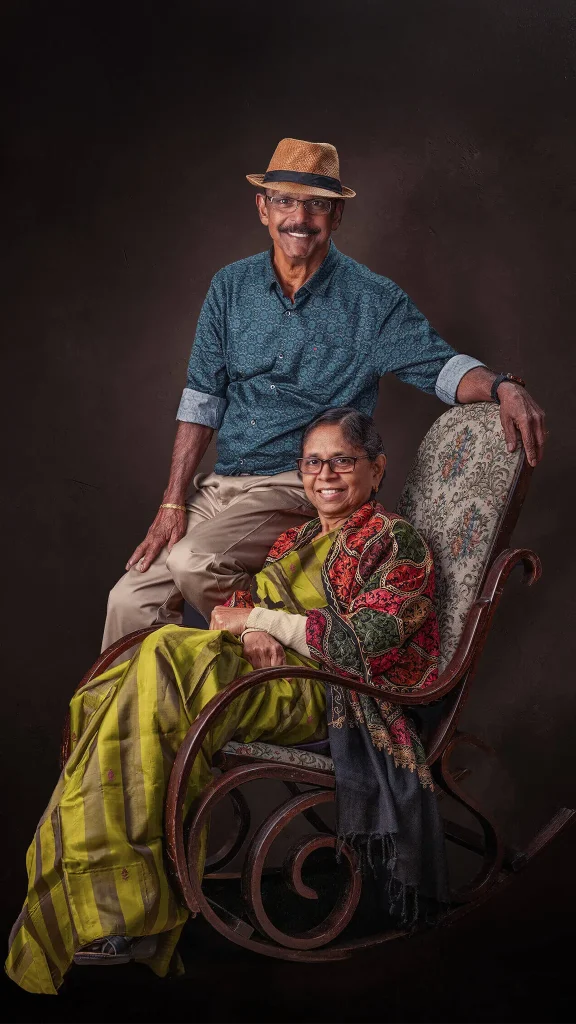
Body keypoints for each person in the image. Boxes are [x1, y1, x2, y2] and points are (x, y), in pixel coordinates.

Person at [7, 409, 449, 996]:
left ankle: (125, 912)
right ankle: (102, 895)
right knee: (114, 688)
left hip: (334, 696)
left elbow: (362, 642)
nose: (326, 475)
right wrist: (250, 628)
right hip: (265, 673)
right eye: (313, 462)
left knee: (164, 655)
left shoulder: (396, 541)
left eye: (343, 460)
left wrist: (260, 619)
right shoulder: (295, 539)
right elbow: (233, 607)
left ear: (377, 468)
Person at [102, 137, 545, 650]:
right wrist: (173, 502)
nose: (300, 216)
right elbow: (202, 398)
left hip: (298, 484)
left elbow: (439, 366)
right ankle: (135, 728)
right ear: (262, 208)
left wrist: (502, 385)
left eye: (316, 204)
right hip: (220, 487)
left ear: (336, 216)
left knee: (193, 561)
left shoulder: (371, 299)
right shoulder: (230, 287)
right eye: (286, 200)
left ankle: (279, 644)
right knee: (128, 601)